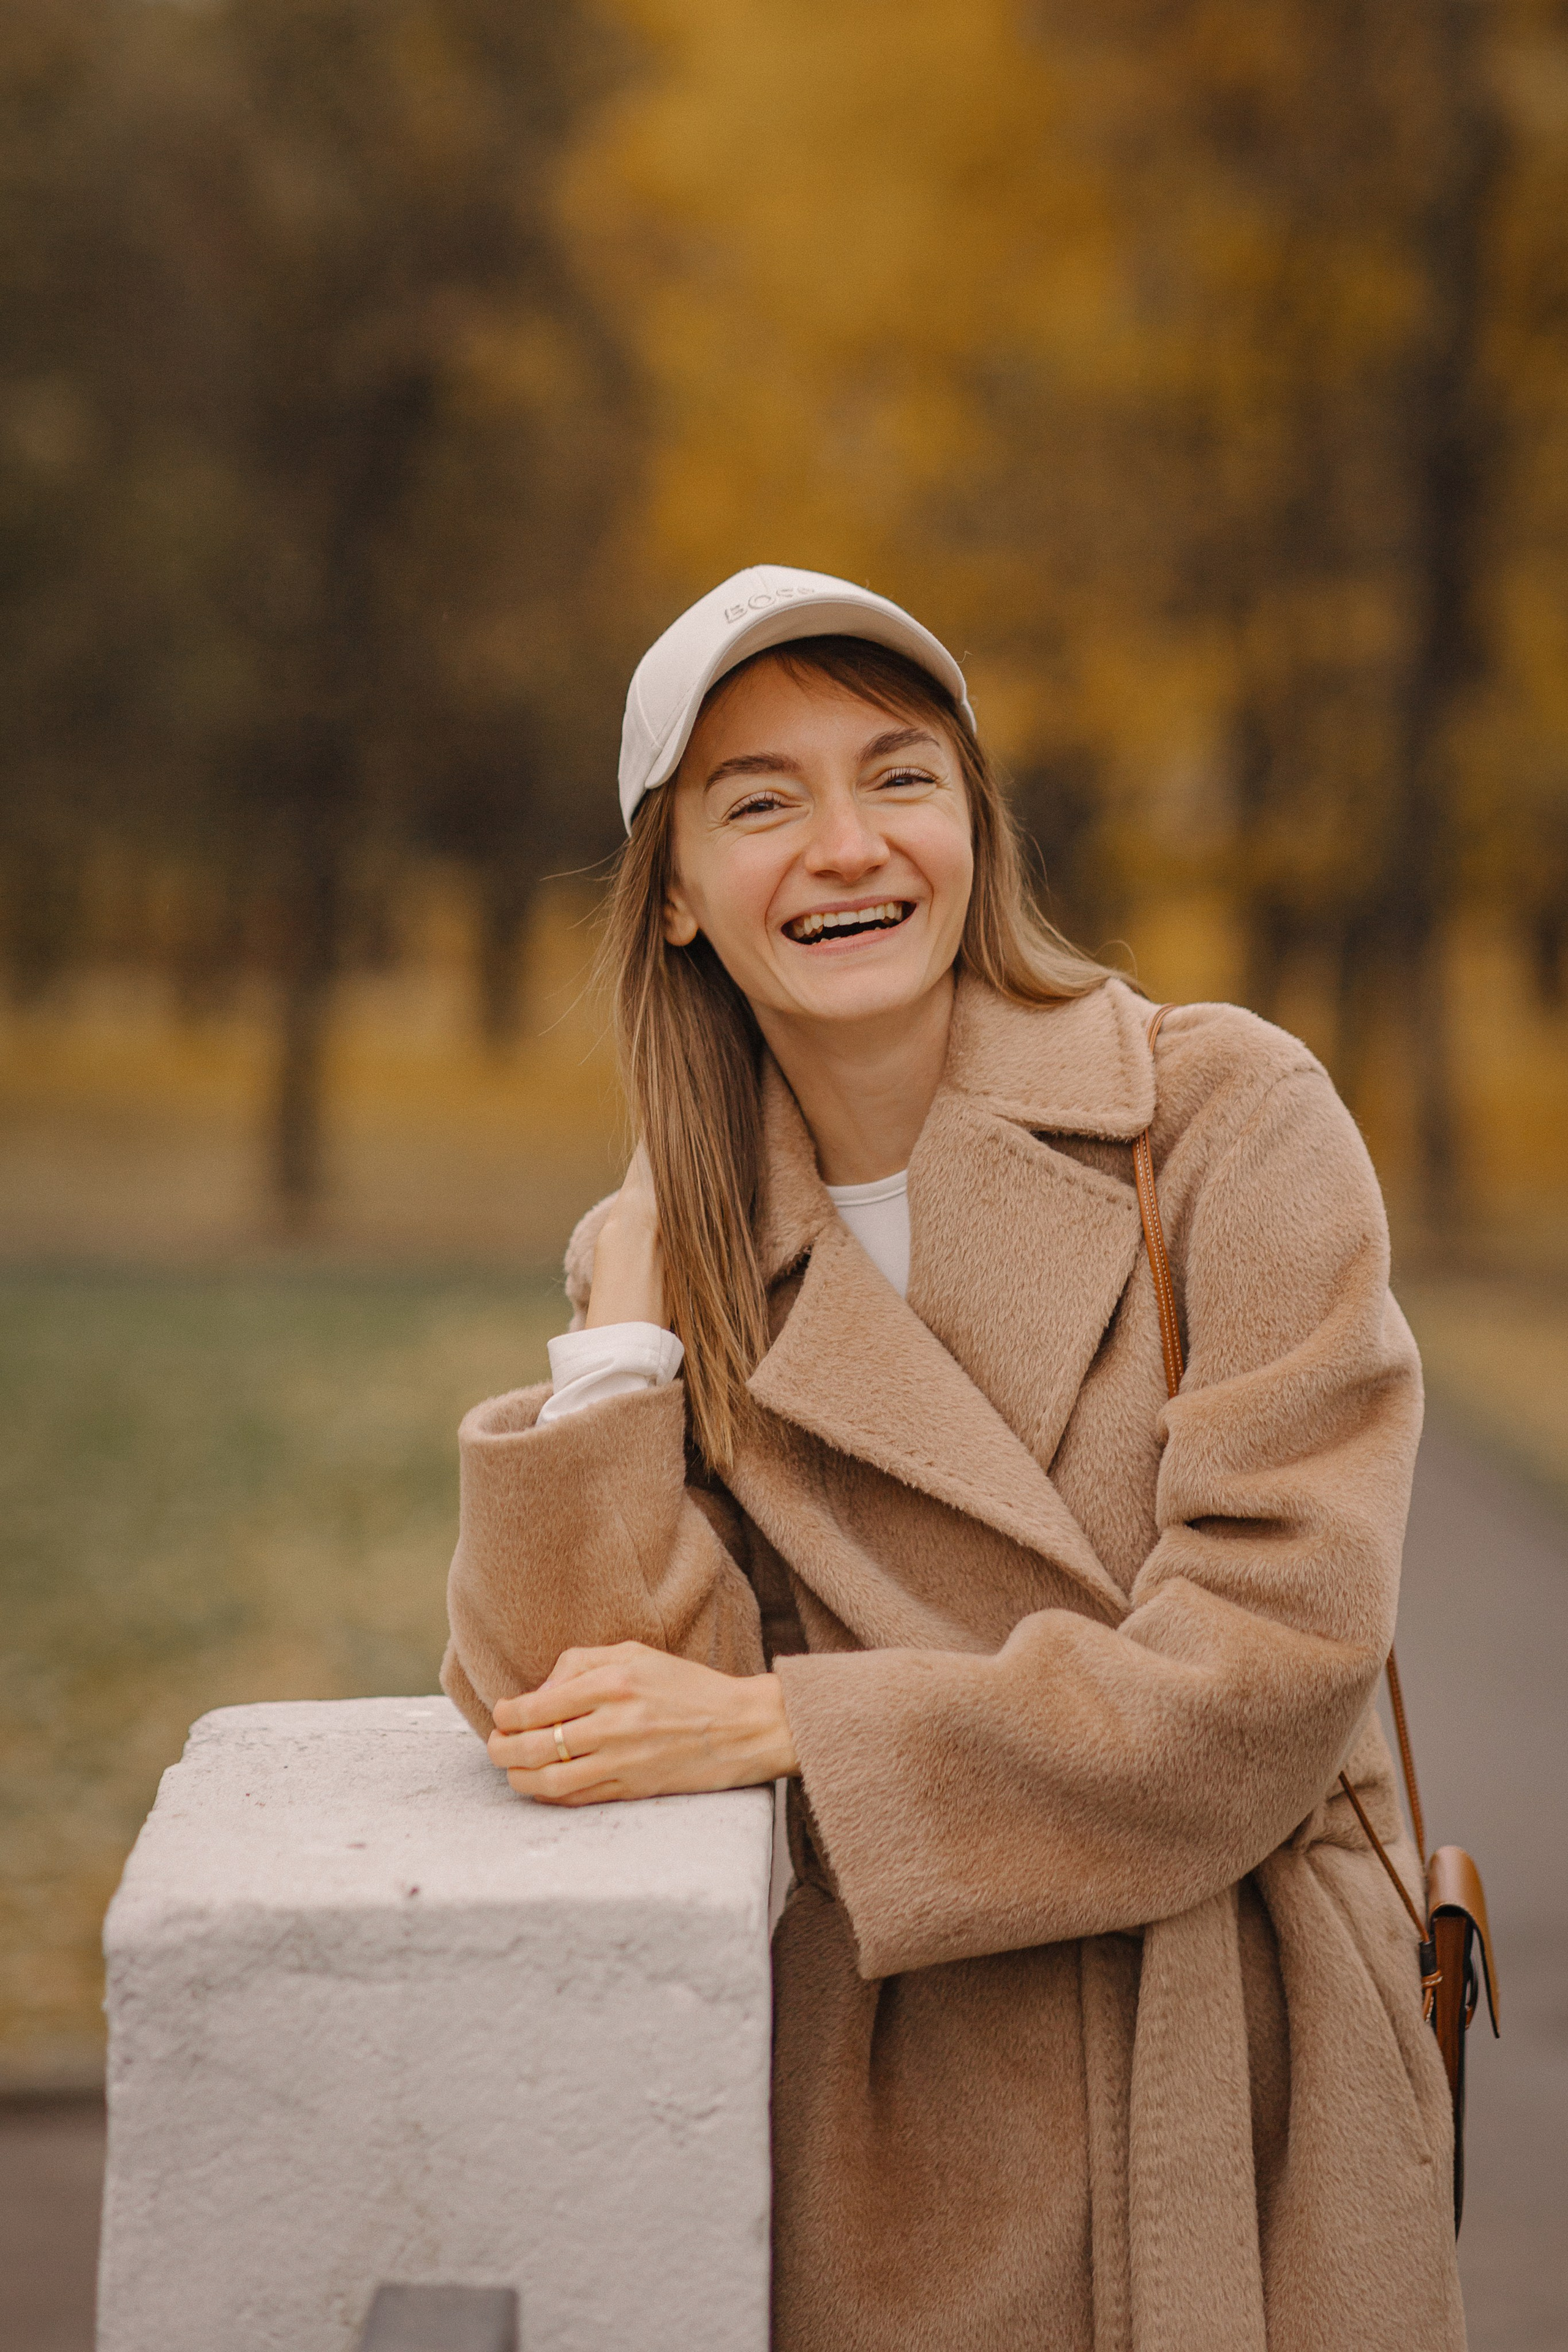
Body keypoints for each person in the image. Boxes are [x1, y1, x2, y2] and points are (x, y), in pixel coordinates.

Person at [441, 565, 1463, 2351]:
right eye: (761, 802)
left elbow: (1269, 1669)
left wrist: (786, 1722)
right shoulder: (682, 1257)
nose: (849, 845)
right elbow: (572, 1706)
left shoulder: (1223, 1119)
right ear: (673, 897)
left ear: (972, 827)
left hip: (1252, 2098)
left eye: (899, 776)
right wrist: (615, 1330)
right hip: (903, 2139)